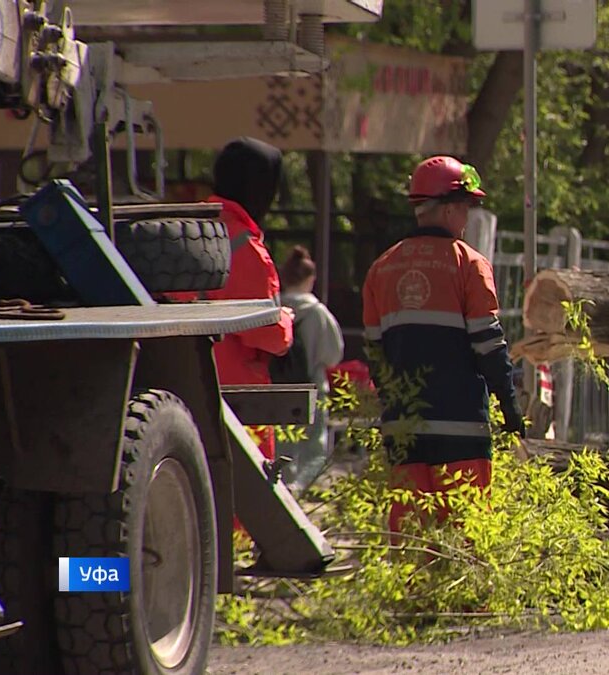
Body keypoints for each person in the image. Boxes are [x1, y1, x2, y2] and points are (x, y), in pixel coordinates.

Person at [361, 155, 525, 533]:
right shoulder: (469, 265)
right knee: (464, 546)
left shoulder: (381, 268)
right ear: (450, 208)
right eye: (466, 208)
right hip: (461, 431)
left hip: (404, 433)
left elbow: (375, 355)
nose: (467, 219)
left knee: (411, 547)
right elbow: (488, 344)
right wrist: (509, 403)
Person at [175, 137, 294, 461]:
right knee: (242, 503)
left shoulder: (183, 227)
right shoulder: (247, 249)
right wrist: (284, 317)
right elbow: (272, 337)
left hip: (176, 389)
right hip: (235, 400)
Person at [276, 246, 345, 492]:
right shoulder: (317, 313)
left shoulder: (274, 311)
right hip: (313, 387)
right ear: (310, 279)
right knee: (315, 447)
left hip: (278, 389)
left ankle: (281, 486)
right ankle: (300, 487)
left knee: (282, 444)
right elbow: (333, 355)